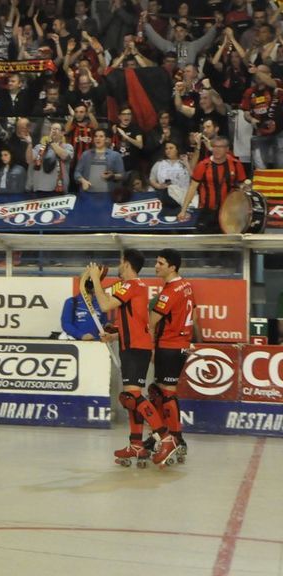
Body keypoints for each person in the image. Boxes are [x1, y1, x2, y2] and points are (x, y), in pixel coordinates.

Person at [86, 251, 176, 468]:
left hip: (136, 348)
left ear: (126, 264)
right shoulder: (136, 288)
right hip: (133, 345)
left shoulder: (131, 285)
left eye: (120, 262)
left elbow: (106, 305)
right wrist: (114, 336)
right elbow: (136, 323)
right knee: (129, 398)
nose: (118, 266)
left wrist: (96, 280)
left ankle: (166, 438)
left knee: (133, 396)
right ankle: (136, 445)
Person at [146, 249, 195, 464]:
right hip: (180, 345)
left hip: (170, 346)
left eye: (160, 263)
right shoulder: (186, 286)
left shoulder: (170, 292)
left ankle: (174, 438)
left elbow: (151, 322)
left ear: (172, 267)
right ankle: (164, 436)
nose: (156, 266)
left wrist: (150, 348)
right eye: (156, 262)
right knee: (161, 391)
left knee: (166, 393)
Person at [179, 136, 246, 233]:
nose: (217, 150)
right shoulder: (203, 165)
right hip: (207, 211)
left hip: (229, 212)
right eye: (214, 147)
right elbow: (192, 188)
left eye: (220, 147)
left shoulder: (236, 164)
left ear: (227, 149)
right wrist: (183, 210)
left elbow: (243, 187)